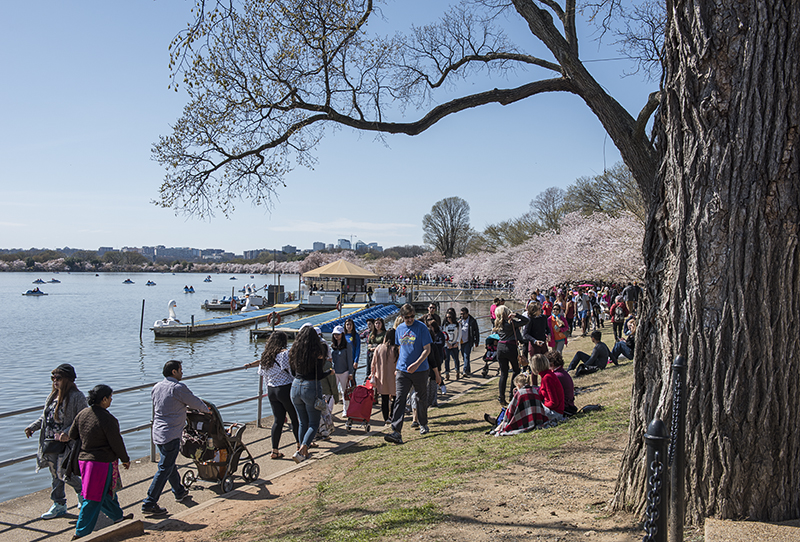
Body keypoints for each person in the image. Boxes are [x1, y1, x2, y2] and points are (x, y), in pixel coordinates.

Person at [142, 360, 209, 516]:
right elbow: (194, 402)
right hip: (171, 433)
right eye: (180, 370)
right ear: (174, 372)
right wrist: (207, 410)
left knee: (169, 463)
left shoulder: (156, 387)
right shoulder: (178, 388)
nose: (182, 372)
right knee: (164, 468)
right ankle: (149, 502)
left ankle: (179, 491)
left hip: (158, 432)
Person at [66, 385, 132, 538]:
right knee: (93, 497)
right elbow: (117, 442)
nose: (111, 400)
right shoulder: (107, 418)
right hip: (101, 463)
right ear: (103, 399)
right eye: (110, 397)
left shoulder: (82, 414)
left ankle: (118, 517)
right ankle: (81, 533)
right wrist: (125, 459)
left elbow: (72, 434)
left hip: (84, 461)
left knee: (106, 494)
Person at [24, 364, 87, 519]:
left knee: (64, 473)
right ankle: (59, 504)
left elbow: (83, 418)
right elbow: (45, 418)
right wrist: (33, 427)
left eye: (58, 378)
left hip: (67, 443)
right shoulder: (53, 396)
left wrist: (67, 433)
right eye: (52, 378)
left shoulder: (77, 397)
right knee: (55, 475)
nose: (54, 381)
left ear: (68, 379)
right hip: (50, 442)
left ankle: (83, 494)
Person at [244, 331, 299, 460]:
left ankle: (274, 450)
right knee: (294, 418)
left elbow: (262, 373)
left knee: (278, 420)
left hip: (271, 390)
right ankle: (299, 446)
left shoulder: (265, 356)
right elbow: (292, 370)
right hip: (285, 388)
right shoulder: (284, 354)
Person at [385, 304, 432, 444]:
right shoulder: (399, 329)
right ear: (402, 317)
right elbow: (400, 348)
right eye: (407, 317)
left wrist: (417, 363)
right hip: (402, 371)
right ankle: (396, 431)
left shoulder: (422, 328)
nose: (410, 319)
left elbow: (427, 349)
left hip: (420, 370)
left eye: (412, 317)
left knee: (420, 398)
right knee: (399, 399)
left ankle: (423, 422)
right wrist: (398, 365)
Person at [289, 326, 330, 462]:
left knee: (302, 422)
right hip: (310, 386)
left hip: (295, 386)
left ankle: (302, 450)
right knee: (313, 423)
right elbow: (319, 374)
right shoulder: (317, 352)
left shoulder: (295, 350)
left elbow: (293, 371)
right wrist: (329, 372)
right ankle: (303, 448)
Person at [493, 305, 528, 404]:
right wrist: (516, 315)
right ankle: (512, 393)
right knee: (516, 370)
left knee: (503, 373)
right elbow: (526, 321)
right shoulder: (511, 323)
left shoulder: (496, 324)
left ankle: (501, 397)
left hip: (500, 348)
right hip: (511, 347)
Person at [371, 328, 399, 424]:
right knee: (395, 398)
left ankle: (385, 417)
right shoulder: (397, 349)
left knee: (384, 399)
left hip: (382, 377)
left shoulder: (379, 348)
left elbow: (373, 363)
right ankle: (392, 416)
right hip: (394, 377)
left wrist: (372, 374)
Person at [530, 354, 565, 421]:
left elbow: (554, 402)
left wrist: (541, 406)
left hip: (555, 413)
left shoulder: (547, 378)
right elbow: (540, 396)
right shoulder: (546, 375)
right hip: (552, 410)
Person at [330, 325, 354, 415]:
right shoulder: (333, 346)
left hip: (344, 371)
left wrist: (350, 373)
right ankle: (329, 410)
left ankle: (346, 410)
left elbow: (349, 360)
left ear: (342, 335)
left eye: (338, 334)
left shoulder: (347, 345)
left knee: (344, 391)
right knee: (332, 391)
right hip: (335, 372)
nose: (336, 336)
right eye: (335, 334)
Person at [546, 350, 577, 416]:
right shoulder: (562, 372)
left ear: (551, 364)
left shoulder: (556, 376)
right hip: (569, 405)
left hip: (565, 408)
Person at [458, 307, 480, 377]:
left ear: (467, 313)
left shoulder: (472, 320)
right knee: (464, 356)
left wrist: (477, 341)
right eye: (461, 314)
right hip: (461, 341)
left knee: (466, 355)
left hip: (468, 341)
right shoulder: (459, 320)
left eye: (463, 314)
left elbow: (476, 331)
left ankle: (464, 371)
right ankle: (468, 369)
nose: (462, 315)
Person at [442, 309, 461, 380]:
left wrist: (457, 342)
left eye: (450, 317)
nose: (448, 319)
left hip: (455, 344)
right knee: (447, 359)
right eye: (447, 317)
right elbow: (443, 334)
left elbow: (459, 334)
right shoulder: (445, 325)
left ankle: (457, 372)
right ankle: (447, 373)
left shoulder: (457, 325)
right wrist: (447, 343)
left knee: (456, 359)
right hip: (447, 344)